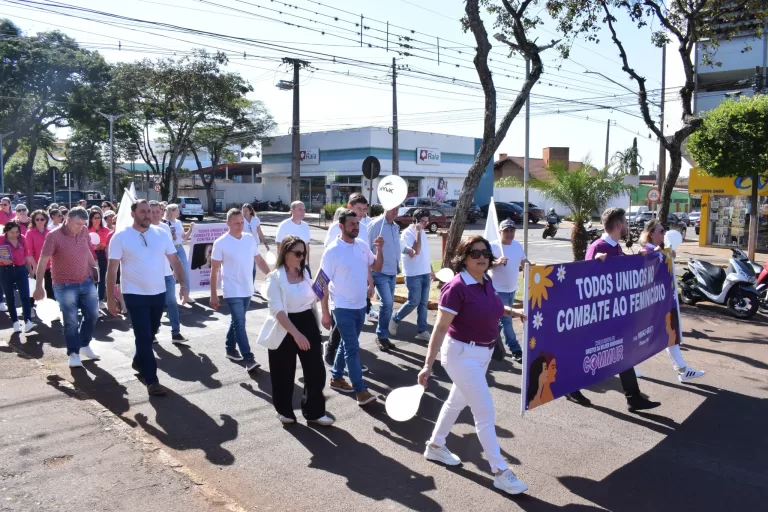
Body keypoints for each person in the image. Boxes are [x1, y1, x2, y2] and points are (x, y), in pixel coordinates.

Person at [417, 236, 528, 495]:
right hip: (461, 355)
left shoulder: (485, 281)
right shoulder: (456, 287)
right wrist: (427, 365)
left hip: (483, 354)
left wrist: (516, 312)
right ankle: (500, 471)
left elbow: (496, 307)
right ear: (463, 257)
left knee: (456, 402)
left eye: (485, 252)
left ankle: (435, 446)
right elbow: (440, 327)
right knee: (485, 413)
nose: (482, 257)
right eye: (475, 252)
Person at [566, 208, 661, 412]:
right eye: (625, 222)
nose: (626, 226)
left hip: (614, 315)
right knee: (587, 353)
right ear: (618, 225)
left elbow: (624, 270)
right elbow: (583, 279)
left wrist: (639, 257)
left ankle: (633, 398)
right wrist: (594, 264)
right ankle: (570, 386)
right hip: (597, 317)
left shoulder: (615, 247)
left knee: (623, 352)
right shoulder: (597, 247)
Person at [106, 199, 190, 396]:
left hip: (158, 292)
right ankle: (152, 380)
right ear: (133, 213)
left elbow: (175, 260)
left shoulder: (162, 234)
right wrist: (111, 297)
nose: (148, 215)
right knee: (143, 336)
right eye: (143, 212)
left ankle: (138, 360)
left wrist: (184, 285)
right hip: (134, 295)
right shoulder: (121, 236)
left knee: (151, 332)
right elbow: (112, 269)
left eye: (150, 212)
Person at [258, 235, 332, 426]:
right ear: (286, 253)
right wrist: (296, 334)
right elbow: (277, 311)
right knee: (283, 372)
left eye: (304, 253)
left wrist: (321, 293)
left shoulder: (304, 272)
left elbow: (309, 299)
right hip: (285, 326)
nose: (302, 257)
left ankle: (314, 412)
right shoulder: (274, 278)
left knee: (315, 370)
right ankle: (284, 410)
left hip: (307, 320)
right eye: (298, 253)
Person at [319, 208, 383, 407]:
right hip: (342, 307)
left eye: (357, 224)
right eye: (352, 224)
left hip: (360, 306)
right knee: (353, 349)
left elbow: (377, 267)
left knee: (348, 345)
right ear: (341, 226)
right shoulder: (332, 251)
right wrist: (325, 313)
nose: (356, 227)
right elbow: (320, 283)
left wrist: (380, 249)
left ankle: (336, 378)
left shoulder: (362, 246)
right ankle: (360, 390)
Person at [639, 219, 705, 382]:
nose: (664, 234)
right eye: (661, 231)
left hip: (663, 302)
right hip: (651, 304)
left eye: (664, 230)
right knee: (641, 338)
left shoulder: (660, 250)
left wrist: (668, 255)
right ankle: (627, 369)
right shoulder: (645, 251)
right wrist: (659, 255)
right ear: (651, 234)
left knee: (670, 334)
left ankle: (682, 370)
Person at [34, 207, 100, 367]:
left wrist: (94, 266)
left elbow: (86, 250)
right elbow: (43, 261)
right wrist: (39, 286)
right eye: (77, 223)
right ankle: (73, 352)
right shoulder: (53, 236)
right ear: (68, 219)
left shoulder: (84, 231)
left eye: (83, 224)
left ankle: (84, 344)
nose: (80, 227)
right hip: (64, 285)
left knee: (92, 315)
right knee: (71, 321)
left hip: (86, 280)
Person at [209, 208, 270, 373]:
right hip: (232, 289)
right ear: (227, 223)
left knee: (237, 320)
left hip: (247, 288)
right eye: (236, 223)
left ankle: (230, 348)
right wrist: (213, 294)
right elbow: (214, 270)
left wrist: (271, 276)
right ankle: (248, 358)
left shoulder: (249, 239)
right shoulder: (221, 243)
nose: (239, 225)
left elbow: (259, 260)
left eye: (242, 222)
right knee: (240, 323)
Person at [390, 208, 435, 341]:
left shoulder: (423, 233)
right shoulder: (407, 233)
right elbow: (417, 250)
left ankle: (422, 330)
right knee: (414, 301)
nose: (425, 224)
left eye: (427, 222)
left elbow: (425, 253)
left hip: (425, 272)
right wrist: (417, 232)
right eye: (422, 221)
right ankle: (395, 318)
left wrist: (431, 269)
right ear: (415, 220)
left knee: (423, 303)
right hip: (413, 273)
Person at [489, 219, 529, 363]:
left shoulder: (517, 245)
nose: (509, 233)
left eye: (512, 230)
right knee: (506, 321)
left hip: (512, 289)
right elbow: (484, 265)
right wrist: (497, 262)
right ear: (500, 232)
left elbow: (525, 263)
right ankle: (515, 349)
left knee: (499, 321)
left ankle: (489, 343)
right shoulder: (493, 246)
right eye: (506, 231)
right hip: (497, 291)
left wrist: (533, 271)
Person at [149, 201, 189, 345]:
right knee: (155, 305)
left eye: (157, 212)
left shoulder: (165, 227)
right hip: (152, 275)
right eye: (152, 212)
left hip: (167, 273)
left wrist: (175, 271)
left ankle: (176, 333)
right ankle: (152, 332)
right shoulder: (143, 229)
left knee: (172, 302)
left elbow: (171, 251)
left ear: (161, 212)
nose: (155, 215)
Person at [368, 206, 401, 352]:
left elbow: (396, 247)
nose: (396, 212)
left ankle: (383, 335)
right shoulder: (375, 225)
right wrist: (369, 276)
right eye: (393, 209)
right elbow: (367, 248)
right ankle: (381, 335)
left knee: (389, 304)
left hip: (392, 271)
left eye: (398, 209)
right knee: (387, 303)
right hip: (379, 272)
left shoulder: (396, 227)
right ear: (385, 208)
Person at [0, 221, 36, 333]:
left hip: (20, 269)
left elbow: (26, 255)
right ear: (6, 231)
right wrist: (1, 260)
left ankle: (28, 322)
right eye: (12, 232)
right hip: (5, 270)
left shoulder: (22, 238)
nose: (15, 234)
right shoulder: (1, 239)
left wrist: (30, 270)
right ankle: (15, 323)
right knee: (10, 298)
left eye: (17, 231)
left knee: (25, 296)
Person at [25, 210, 54, 314]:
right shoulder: (30, 233)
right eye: (37, 219)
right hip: (36, 265)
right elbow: (29, 253)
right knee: (35, 288)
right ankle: (30, 308)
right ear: (34, 220)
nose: (40, 221)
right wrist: (36, 267)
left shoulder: (50, 232)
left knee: (50, 288)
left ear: (46, 220)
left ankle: (52, 310)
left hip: (50, 266)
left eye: (42, 219)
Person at [163, 204, 192, 292]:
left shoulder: (179, 222)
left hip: (180, 248)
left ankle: (186, 293)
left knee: (185, 270)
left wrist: (191, 229)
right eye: (177, 210)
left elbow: (184, 237)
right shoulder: (164, 223)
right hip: (170, 250)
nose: (179, 211)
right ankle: (168, 295)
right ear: (171, 211)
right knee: (168, 272)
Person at [275, 201, 311, 266]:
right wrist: (282, 264)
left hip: (303, 265)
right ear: (292, 210)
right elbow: (279, 246)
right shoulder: (284, 225)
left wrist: (307, 264)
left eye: (304, 210)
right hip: (288, 265)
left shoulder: (306, 226)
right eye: (300, 209)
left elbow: (307, 247)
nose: (302, 212)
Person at [88, 209, 110, 307]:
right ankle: (92, 299)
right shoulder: (86, 230)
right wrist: (94, 247)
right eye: (95, 218)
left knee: (102, 276)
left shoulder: (106, 230)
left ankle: (100, 299)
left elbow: (109, 243)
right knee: (93, 277)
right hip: (91, 256)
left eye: (99, 218)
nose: (97, 220)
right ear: (91, 219)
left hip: (102, 255)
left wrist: (103, 245)